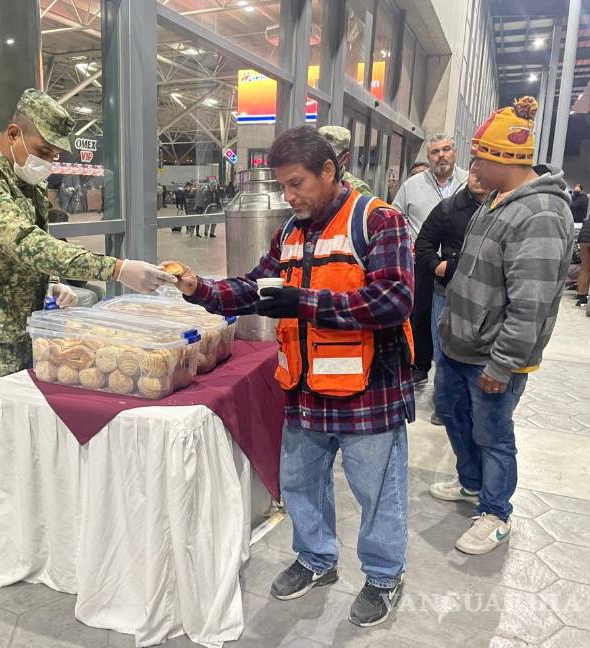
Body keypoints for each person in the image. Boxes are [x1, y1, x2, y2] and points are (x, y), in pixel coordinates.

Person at [170, 126, 415, 627]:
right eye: (283, 186)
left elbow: (394, 301)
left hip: (367, 391)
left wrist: (304, 302)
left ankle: (384, 575)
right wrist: (199, 288)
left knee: (377, 491)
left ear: (330, 170)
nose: (290, 196)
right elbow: (252, 288)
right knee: (301, 484)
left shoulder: (378, 220)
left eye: (297, 183)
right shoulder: (290, 232)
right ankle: (315, 559)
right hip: (304, 390)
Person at [0, 89, 176, 546]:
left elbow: (7, 253)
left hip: (20, 321)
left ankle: (21, 524)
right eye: (43, 151)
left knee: (19, 428)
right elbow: (23, 241)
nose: (48, 162)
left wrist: (49, 283)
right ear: (13, 133)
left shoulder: (16, 176)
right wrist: (116, 268)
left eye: (55, 155)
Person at [433, 97, 574, 555]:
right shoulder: (496, 201)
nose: (471, 166)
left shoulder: (540, 214)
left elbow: (530, 303)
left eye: (478, 157)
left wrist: (504, 363)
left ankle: (496, 512)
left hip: (492, 356)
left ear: (501, 159)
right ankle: (472, 485)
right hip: (459, 346)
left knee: (492, 434)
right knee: (455, 417)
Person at [415, 165, 488, 426]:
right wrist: (439, 266)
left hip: (487, 298)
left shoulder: (502, 210)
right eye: (473, 172)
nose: (478, 177)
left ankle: (472, 405)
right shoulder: (449, 208)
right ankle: (444, 404)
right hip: (446, 291)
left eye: (483, 171)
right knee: (444, 349)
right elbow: (422, 243)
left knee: (479, 351)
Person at [393, 135, 468, 386]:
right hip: (421, 263)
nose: (441, 155)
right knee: (420, 314)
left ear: (455, 152)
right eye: (435, 152)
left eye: (446, 149)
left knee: (456, 318)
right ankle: (420, 365)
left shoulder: (470, 182)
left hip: (460, 265)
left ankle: (451, 373)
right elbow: (395, 215)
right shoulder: (412, 185)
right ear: (429, 157)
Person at [317, 125, 372, 195]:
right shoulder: (305, 181)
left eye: (330, 157)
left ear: (345, 158)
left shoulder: (358, 190)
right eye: (318, 155)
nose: (322, 161)